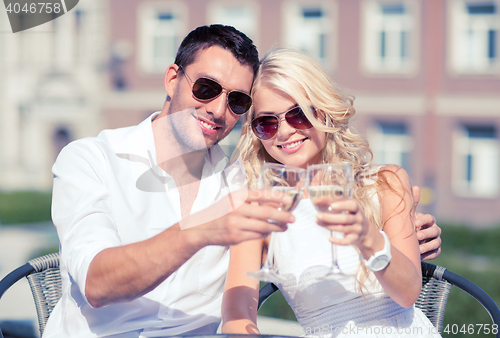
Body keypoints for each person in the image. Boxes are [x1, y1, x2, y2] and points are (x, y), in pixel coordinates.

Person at [45, 25, 440, 337]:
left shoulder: (243, 185)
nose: (218, 109)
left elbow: (396, 268)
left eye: (236, 101)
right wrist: (201, 230)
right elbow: (97, 283)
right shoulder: (91, 160)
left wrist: (397, 228)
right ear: (172, 80)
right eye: (206, 88)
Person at [221, 48, 442, 337]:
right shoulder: (261, 208)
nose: (285, 132)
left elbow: (408, 293)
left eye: (298, 114)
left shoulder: (385, 182)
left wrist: (367, 236)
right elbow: (237, 313)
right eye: (267, 123)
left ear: (323, 111)